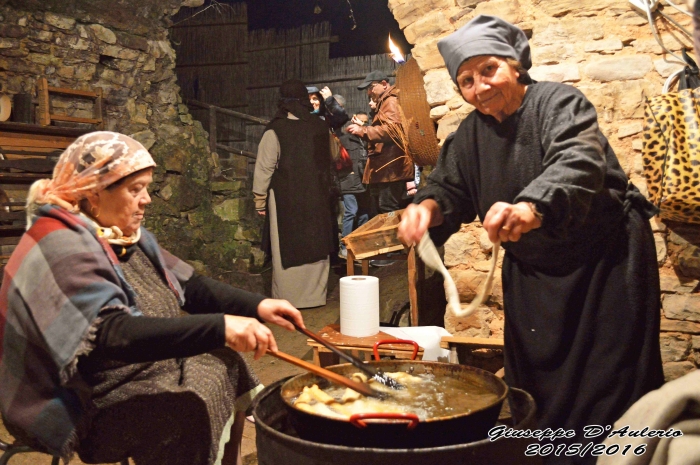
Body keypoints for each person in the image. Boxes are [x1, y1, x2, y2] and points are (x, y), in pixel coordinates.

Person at [397, 15, 663, 464]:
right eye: (466, 79)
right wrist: (426, 209)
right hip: (535, 275)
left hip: (603, 267)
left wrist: (529, 208)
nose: (479, 88)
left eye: (488, 71)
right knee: (537, 387)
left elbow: (577, 163)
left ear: (516, 65)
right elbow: (450, 188)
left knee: (609, 383)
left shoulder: (560, 104)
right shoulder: (470, 135)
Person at [0, 131, 305, 465]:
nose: (146, 199)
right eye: (135, 190)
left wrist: (258, 306)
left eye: (146, 187)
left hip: (124, 367)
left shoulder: (120, 235)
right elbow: (112, 335)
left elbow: (190, 285)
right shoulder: (59, 243)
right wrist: (220, 327)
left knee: (231, 362)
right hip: (81, 392)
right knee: (184, 412)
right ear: (94, 193)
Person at [253, 79, 334, 308]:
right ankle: (315, 296)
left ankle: (290, 299)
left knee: (288, 245)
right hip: (318, 196)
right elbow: (332, 158)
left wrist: (259, 200)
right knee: (316, 242)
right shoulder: (319, 126)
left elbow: (264, 168)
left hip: (286, 198)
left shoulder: (275, 129)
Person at [347, 70, 414, 215]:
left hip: (391, 167)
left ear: (384, 84)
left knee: (389, 209)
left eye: (371, 87)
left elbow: (392, 130)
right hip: (388, 167)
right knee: (387, 208)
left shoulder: (390, 101)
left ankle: (396, 238)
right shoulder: (385, 101)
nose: (369, 93)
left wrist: (363, 130)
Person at [338, 112, 371, 259]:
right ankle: (344, 246)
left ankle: (360, 243)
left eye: (363, 122)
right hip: (348, 182)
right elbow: (336, 161)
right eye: (358, 121)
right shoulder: (343, 140)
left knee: (364, 213)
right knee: (351, 211)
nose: (359, 124)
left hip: (363, 182)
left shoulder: (366, 139)